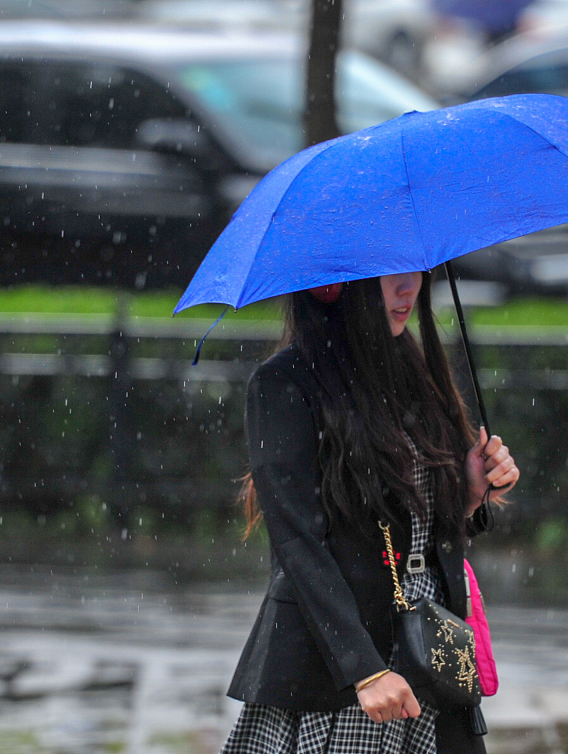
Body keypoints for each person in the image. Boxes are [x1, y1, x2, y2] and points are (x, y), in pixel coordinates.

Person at [221, 270, 520, 754]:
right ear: (335, 282)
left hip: (430, 648)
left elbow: (419, 528)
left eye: (414, 270)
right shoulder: (285, 383)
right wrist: (364, 669)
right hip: (340, 667)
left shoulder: (413, 370)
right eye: (388, 273)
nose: (409, 288)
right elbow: (298, 543)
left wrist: (466, 494)